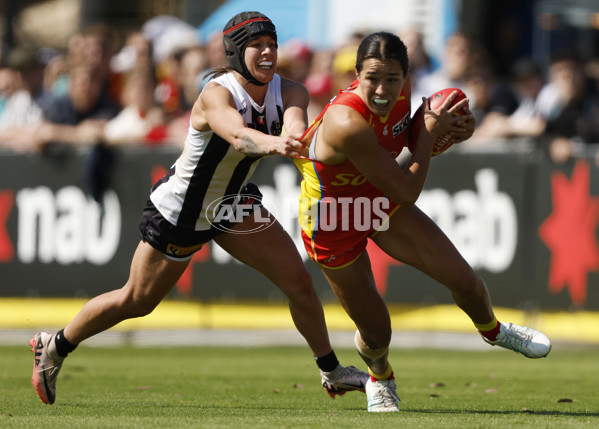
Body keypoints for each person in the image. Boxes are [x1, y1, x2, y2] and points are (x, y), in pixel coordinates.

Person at [29, 11, 368, 406]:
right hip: (182, 211)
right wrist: (278, 144)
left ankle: (330, 372)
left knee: (299, 283)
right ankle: (54, 345)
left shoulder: (290, 90)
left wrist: (295, 138)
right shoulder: (215, 94)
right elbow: (240, 137)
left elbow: (295, 125)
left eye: (272, 44)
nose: (268, 52)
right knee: (136, 300)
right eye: (258, 45)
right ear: (236, 51)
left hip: (231, 205)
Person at [293, 31, 552, 413]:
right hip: (332, 218)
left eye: (392, 79)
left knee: (465, 280)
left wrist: (456, 129)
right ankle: (380, 377)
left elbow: (406, 146)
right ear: (356, 73)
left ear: (406, 76)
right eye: (372, 78)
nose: (382, 89)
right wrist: (431, 134)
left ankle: (494, 331)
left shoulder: (403, 92)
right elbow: (406, 189)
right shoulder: (346, 121)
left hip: (375, 197)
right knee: (377, 331)